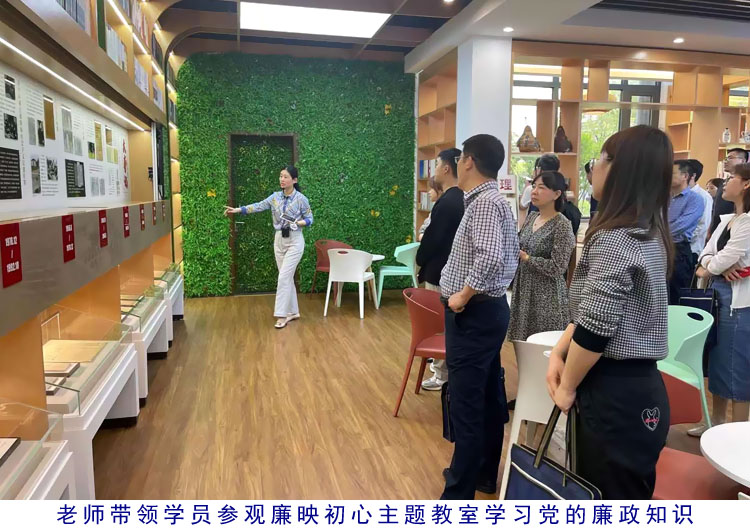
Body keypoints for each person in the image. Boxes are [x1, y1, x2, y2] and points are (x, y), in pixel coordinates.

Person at [546, 125, 673, 499]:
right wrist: (558, 352)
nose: (593, 169)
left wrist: (567, 386)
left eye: (597, 159)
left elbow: (596, 329)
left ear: (619, 168)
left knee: (606, 499)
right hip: (637, 390)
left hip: (614, 395)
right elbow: (590, 313)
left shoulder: (616, 238)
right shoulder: (648, 230)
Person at [440, 134, 519, 500]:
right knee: (486, 397)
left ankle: (458, 495)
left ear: (468, 161)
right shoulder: (493, 200)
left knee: (467, 405)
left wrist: (464, 294)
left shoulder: (484, 202)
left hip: (473, 313)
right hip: (486, 311)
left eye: (459, 159)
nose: (456, 165)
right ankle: (483, 473)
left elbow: (489, 256)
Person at [692, 163, 750, 436]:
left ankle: (737, 435)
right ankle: (714, 425)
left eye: (732, 177)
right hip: (717, 296)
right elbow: (705, 255)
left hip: (739, 304)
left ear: (746, 184)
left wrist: (712, 266)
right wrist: (713, 266)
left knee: (737, 367)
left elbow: (721, 260)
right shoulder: (728, 219)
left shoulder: (748, 222)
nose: (725, 182)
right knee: (717, 362)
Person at [224, 165, 313, 329]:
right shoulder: (275, 197)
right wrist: (238, 210)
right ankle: (293, 311)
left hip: (295, 240)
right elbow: (258, 206)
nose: (282, 179)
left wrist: (299, 223)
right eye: (280, 176)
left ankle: (281, 315)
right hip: (279, 239)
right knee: (286, 277)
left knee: (283, 277)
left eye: (285, 177)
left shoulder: (301, 199)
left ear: (294, 180)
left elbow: (310, 219)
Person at [416, 148, 464, 391]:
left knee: (440, 324)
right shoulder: (460, 198)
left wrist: (420, 260)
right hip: (449, 271)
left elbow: (432, 240)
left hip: (440, 272)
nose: (433, 170)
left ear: (446, 168)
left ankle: (441, 374)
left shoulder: (448, 202)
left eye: (436, 164)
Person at [508, 170, 575, 342]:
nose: (534, 191)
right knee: (521, 343)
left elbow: (558, 267)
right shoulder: (532, 217)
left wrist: (527, 258)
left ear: (557, 194)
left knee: (542, 345)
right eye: (534, 186)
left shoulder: (562, 225)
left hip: (546, 296)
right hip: (523, 289)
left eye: (541, 187)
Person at [668, 160, 704, 304]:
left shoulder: (695, 199)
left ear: (685, 176)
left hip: (678, 251)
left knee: (677, 294)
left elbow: (681, 225)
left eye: (672, 173)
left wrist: (657, 231)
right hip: (658, 248)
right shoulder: (663, 198)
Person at [709, 148, 749, 236]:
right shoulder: (723, 184)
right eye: (726, 158)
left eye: (730, 158)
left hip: (735, 229)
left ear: (743, 161)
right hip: (720, 228)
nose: (726, 161)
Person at [685, 159, 712, 262]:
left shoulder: (703, 196)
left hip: (691, 248)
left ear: (692, 176)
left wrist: (681, 239)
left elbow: (703, 225)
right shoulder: (674, 194)